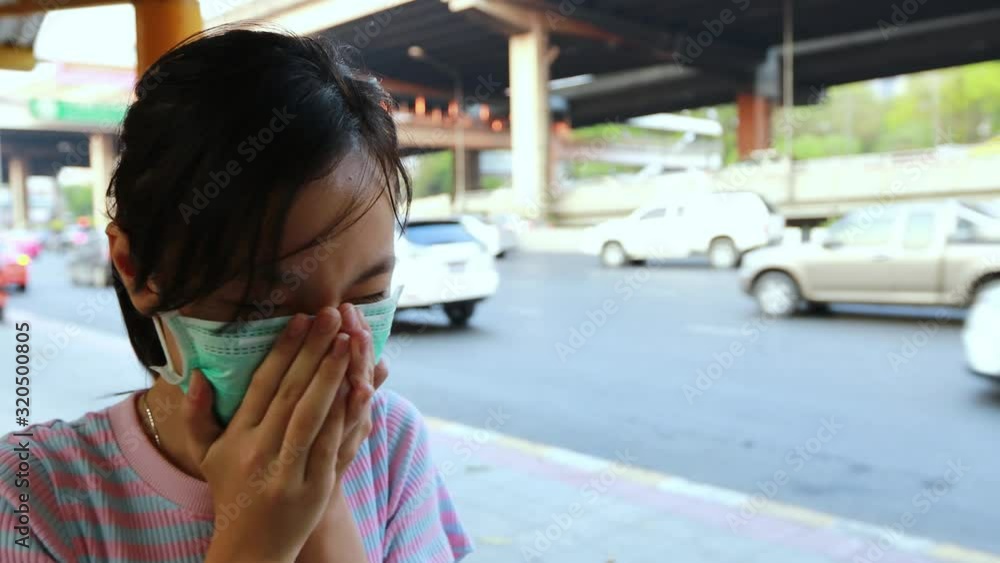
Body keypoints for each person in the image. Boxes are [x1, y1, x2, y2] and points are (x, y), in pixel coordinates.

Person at [0, 26, 473, 562]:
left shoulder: (390, 446)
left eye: (369, 295)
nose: (330, 344)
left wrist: (322, 508)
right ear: (137, 270)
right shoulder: (32, 496)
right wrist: (257, 541)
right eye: (264, 307)